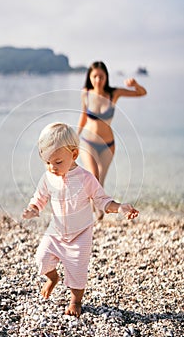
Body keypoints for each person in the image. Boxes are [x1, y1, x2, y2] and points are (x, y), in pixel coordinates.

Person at [22, 122, 139, 318]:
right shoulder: (48, 177)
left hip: (80, 234)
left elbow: (102, 200)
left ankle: (75, 301)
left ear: (74, 155)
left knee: (77, 270)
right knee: (41, 259)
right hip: (56, 231)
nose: (52, 167)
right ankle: (53, 278)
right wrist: (34, 208)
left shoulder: (86, 178)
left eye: (58, 162)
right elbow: (40, 197)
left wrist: (119, 207)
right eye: (48, 162)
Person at [77, 61, 147, 212]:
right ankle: (92, 209)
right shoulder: (86, 93)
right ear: (89, 77)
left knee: (100, 181)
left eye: (101, 77)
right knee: (93, 176)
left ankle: (98, 208)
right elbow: (83, 117)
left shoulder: (113, 93)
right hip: (88, 142)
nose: (98, 80)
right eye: (95, 76)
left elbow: (142, 93)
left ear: (106, 77)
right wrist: (75, 136)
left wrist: (135, 84)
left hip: (108, 145)